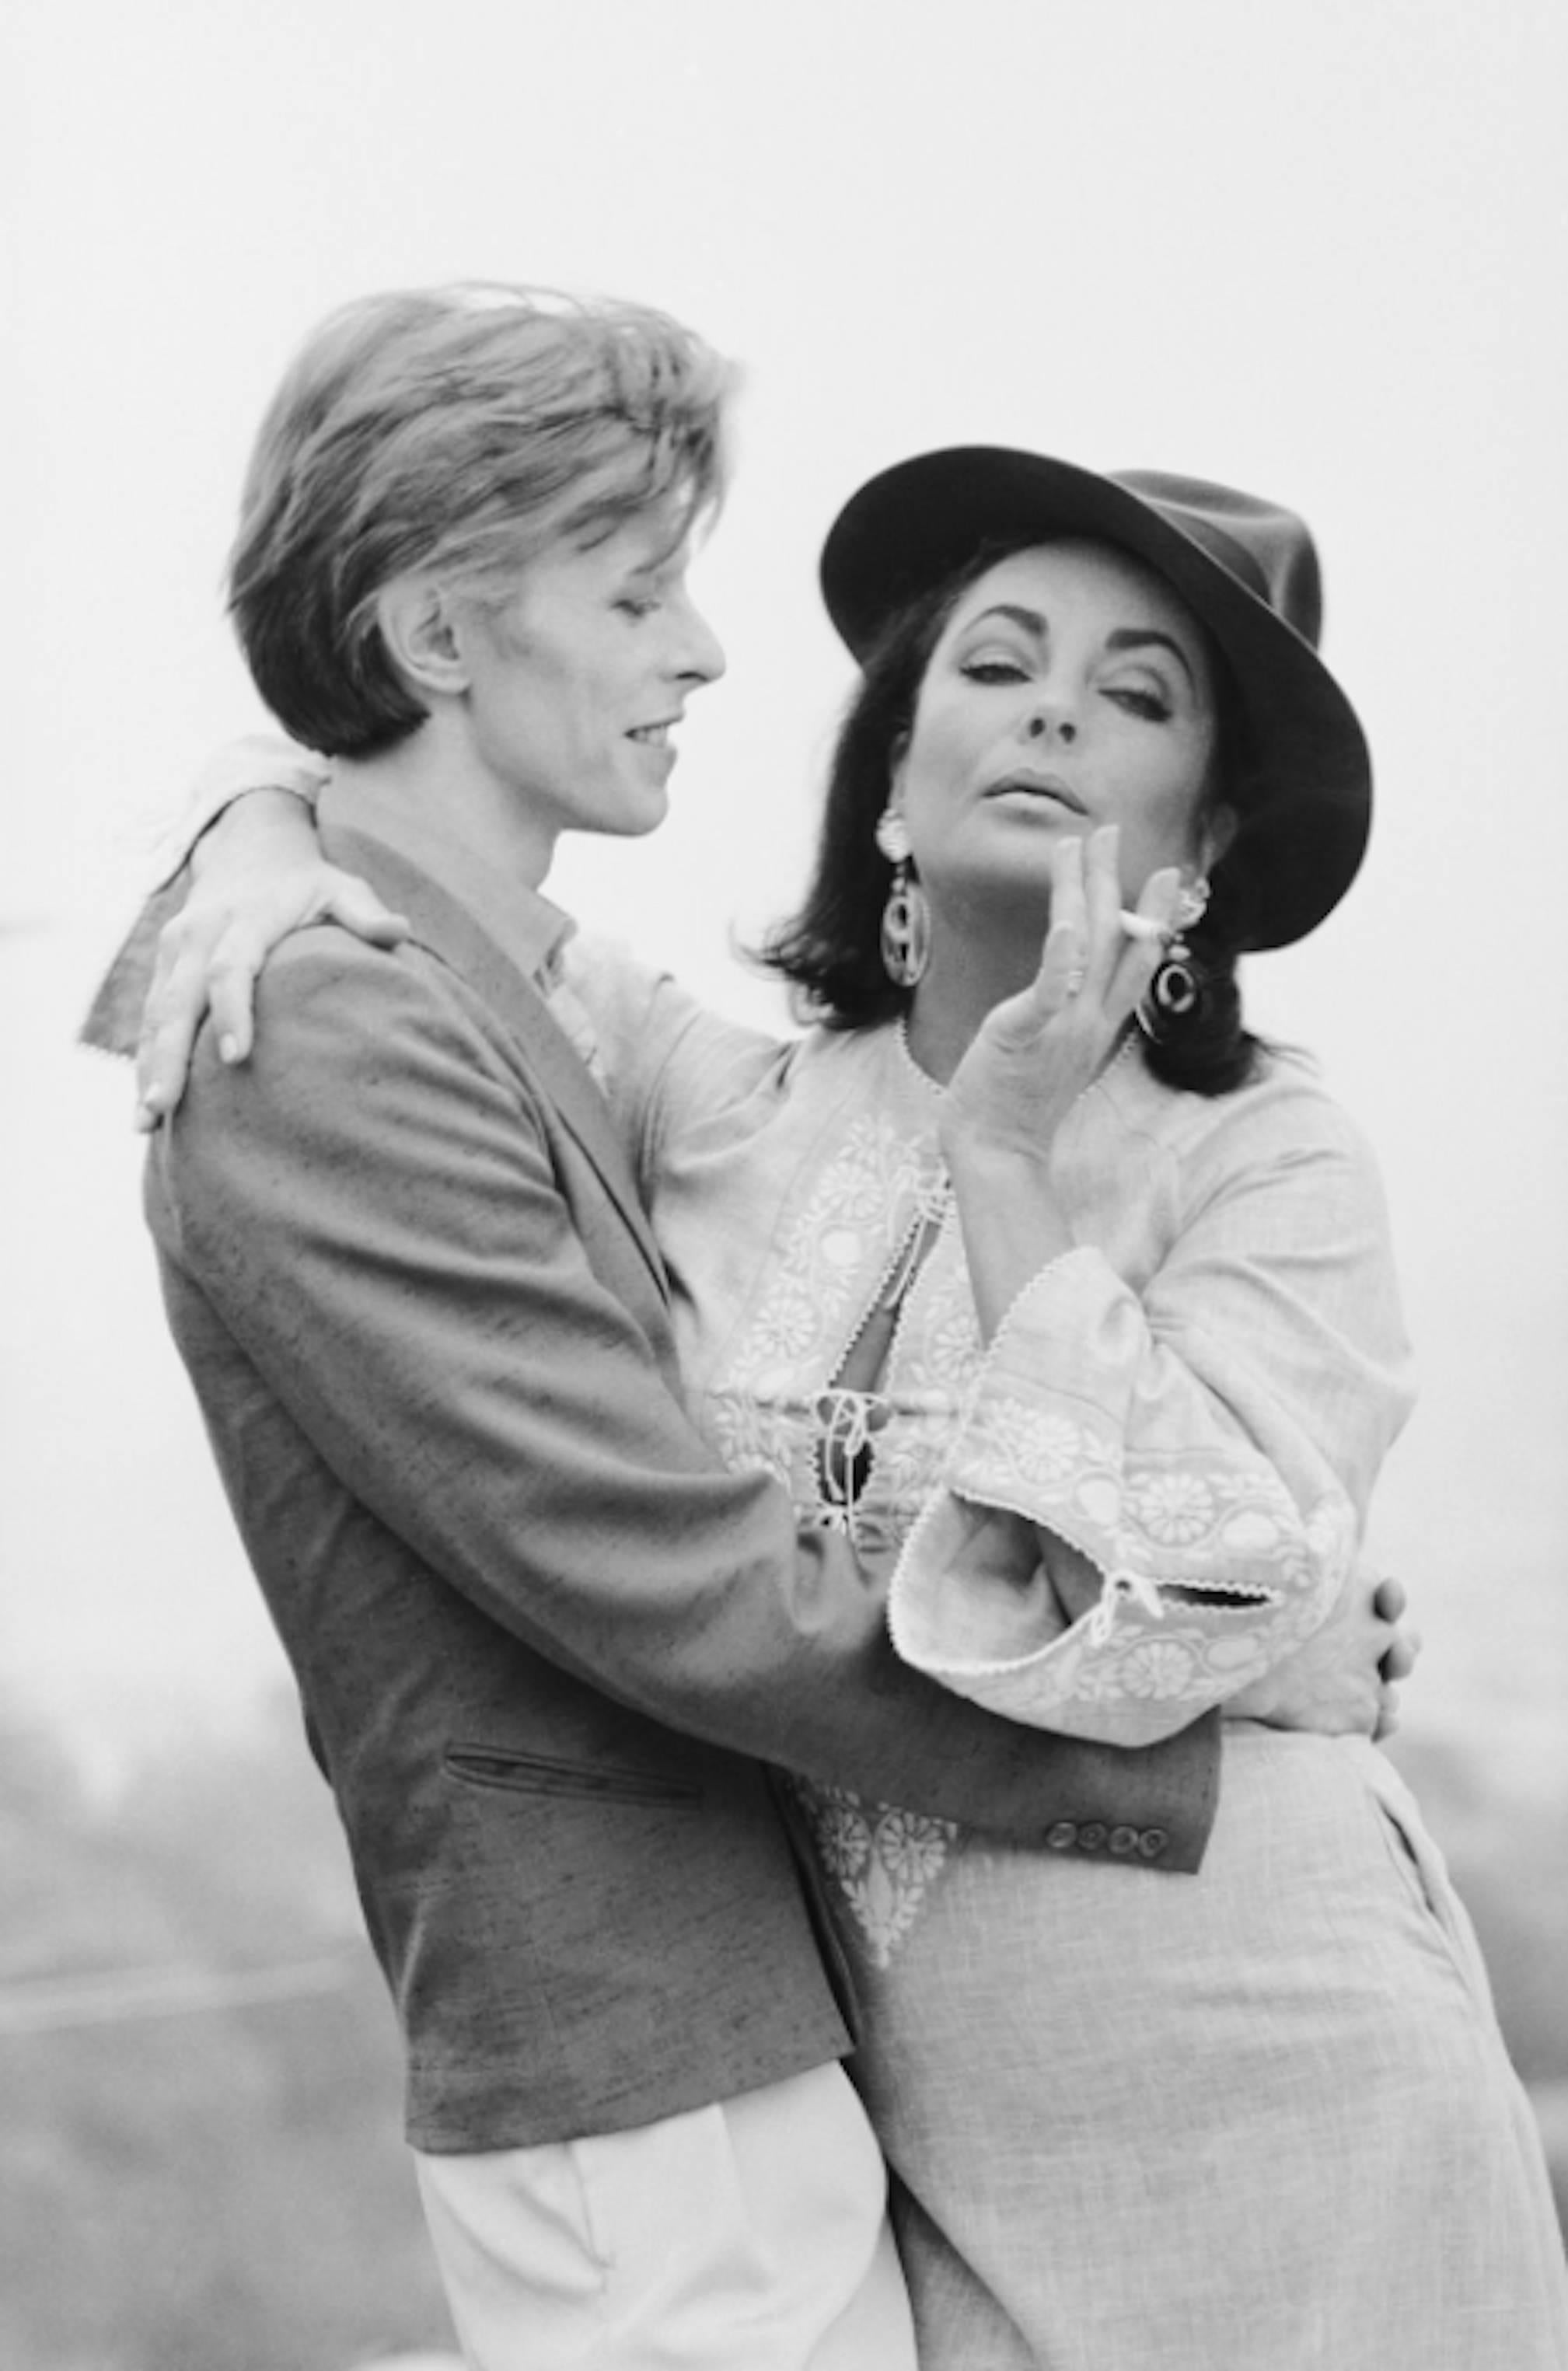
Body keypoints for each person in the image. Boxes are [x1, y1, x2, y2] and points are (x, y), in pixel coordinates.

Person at [118, 440, 1568, 2369]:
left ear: (1196, 848)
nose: (1053, 702)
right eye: (994, 662)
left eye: (1136, 694)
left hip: (1279, 2102)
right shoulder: (700, 1095)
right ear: (887, 781)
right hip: (913, 2169)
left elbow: (1181, 1606)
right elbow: (412, 847)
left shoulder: (1269, 1160)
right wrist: (249, 834)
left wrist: (1009, 1157)